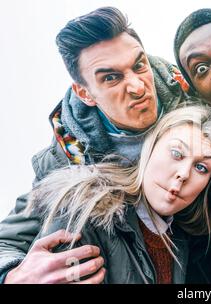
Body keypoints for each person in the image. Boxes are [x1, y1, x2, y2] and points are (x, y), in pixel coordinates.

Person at [0, 6, 194, 283]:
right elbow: (6, 243)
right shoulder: (64, 161)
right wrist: (13, 276)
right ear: (85, 93)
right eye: (111, 78)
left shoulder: (197, 105)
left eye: (139, 65)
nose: (137, 87)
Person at [24, 105, 211, 284]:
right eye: (176, 153)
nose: (183, 174)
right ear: (150, 147)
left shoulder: (186, 240)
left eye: (201, 167)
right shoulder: (85, 211)